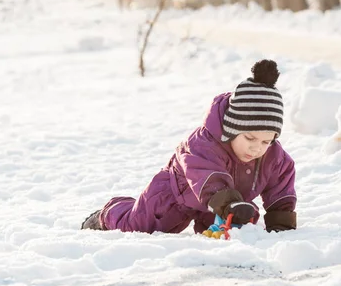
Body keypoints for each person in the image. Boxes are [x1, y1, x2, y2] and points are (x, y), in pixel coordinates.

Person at [81, 59, 297, 234]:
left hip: (222, 205)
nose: (257, 148)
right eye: (250, 138)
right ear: (231, 129)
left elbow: (281, 186)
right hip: (175, 195)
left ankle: (225, 215)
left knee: (237, 228)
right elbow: (208, 177)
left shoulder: (273, 156)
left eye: (266, 141)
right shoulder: (203, 144)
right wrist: (228, 204)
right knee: (139, 227)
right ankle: (109, 213)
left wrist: (281, 221)